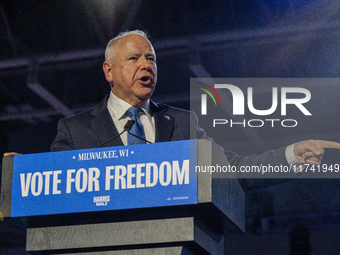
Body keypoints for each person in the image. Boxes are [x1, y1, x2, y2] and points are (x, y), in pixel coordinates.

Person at [4, 30, 340, 188]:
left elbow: (231, 171)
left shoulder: (183, 123)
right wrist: (21, 175)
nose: (145, 65)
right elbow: (56, 185)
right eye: (133, 58)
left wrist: (288, 156)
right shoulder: (75, 130)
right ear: (109, 71)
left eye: (151, 58)